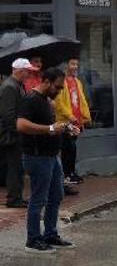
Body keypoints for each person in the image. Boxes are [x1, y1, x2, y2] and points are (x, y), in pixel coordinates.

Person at [16, 67, 79, 254]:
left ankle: (50, 234)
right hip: (37, 157)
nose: (59, 91)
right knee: (39, 199)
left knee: (56, 196)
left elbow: (51, 125)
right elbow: (21, 125)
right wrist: (50, 129)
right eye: (57, 87)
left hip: (52, 157)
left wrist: (66, 127)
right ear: (46, 81)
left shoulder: (47, 101)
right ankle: (33, 240)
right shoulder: (30, 100)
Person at [0, 58, 36, 208]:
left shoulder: (18, 85)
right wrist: (20, 129)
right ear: (18, 70)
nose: (28, 74)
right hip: (12, 134)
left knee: (18, 167)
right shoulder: (9, 87)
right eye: (26, 71)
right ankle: (14, 199)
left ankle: (16, 197)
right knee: (14, 167)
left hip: (16, 132)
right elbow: (8, 115)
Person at [54, 58, 91, 194]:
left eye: (76, 64)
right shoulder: (61, 82)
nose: (75, 66)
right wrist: (70, 116)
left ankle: (70, 174)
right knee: (67, 148)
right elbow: (59, 102)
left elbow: (81, 100)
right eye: (72, 64)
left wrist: (84, 116)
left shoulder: (77, 82)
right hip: (66, 120)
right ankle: (65, 177)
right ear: (66, 65)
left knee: (72, 149)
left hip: (76, 120)